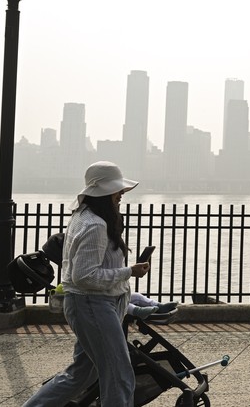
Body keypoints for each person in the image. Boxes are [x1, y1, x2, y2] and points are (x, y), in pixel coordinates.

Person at [23, 161, 149, 407]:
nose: (121, 193)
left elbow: (86, 272)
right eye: (117, 190)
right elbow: (85, 277)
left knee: (82, 374)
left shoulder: (84, 217)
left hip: (89, 305)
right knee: (119, 375)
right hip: (93, 305)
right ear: (103, 192)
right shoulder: (95, 225)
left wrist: (125, 273)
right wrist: (128, 271)